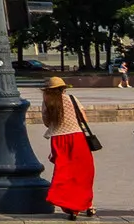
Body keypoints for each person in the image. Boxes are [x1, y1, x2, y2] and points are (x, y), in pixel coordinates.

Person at [41, 77, 95, 219]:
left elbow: (46, 123)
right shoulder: (71, 98)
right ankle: (88, 204)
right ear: (63, 88)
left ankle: (71, 206)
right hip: (77, 138)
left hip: (58, 139)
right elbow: (84, 118)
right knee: (84, 172)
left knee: (64, 172)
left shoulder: (47, 102)